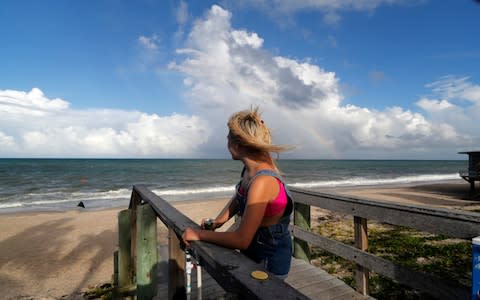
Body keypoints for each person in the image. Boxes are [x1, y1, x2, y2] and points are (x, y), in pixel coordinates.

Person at [182, 107, 294, 279]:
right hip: (253, 251)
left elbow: (241, 239)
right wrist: (218, 222)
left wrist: (198, 234)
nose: (226, 144)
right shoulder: (249, 172)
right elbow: (239, 198)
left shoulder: (262, 182)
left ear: (237, 145)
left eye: (227, 138)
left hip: (268, 260)